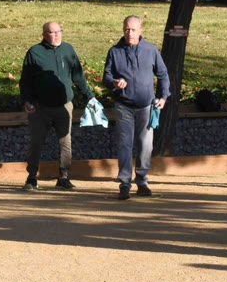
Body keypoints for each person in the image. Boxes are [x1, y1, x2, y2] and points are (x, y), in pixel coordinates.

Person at [19, 21, 94, 190]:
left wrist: (90, 96)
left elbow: (78, 77)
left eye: (58, 31)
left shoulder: (68, 50)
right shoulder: (34, 52)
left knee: (65, 142)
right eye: (51, 32)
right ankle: (31, 177)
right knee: (36, 143)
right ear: (44, 34)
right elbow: (26, 81)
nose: (56, 35)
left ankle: (64, 176)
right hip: (40, 107)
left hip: (64, 105)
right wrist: (27, 100)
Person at [102, 15, 170, 200]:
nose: (129, 32)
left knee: (145, 146)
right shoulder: (114, 51)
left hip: (146, 106)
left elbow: (163, 74)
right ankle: (124, 183)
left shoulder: (151, 50)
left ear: (141, 30)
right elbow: (106, 77)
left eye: (133, 29)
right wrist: (114, 82)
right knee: (125, 145)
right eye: (126, 29)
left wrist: (163, 97)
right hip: (123, 106)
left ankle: (142, 181)